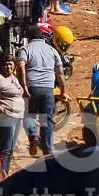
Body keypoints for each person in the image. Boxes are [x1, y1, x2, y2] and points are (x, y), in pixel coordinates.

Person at [16, 24, 66, 156]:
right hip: (48, 88)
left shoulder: (25, 49)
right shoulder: (51, 50)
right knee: (47, 119)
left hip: (32, 86)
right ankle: (48, 150)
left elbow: (21, 66)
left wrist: (24, 86)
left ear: (29, 37)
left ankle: (33, 137)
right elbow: (60, 73)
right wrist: (63, 91)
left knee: (29, 115)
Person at [0, 60, 26, 176]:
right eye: (6, 64)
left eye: (10, 64)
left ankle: (3, 173)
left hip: (17, 117)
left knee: (11, 148)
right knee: (5, 149)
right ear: (2, 66)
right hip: (6, 117)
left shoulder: (14, 77)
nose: (8, 66)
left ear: (14, 66)